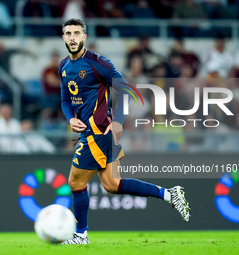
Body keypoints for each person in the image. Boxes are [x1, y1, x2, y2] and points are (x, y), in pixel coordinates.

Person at [59, 19, 190, 245]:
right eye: (68, 33)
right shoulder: (63, 66)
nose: (72, 37)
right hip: (94, 133)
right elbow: (64, 98)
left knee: (75, 182)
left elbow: (126, 89)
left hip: (98, 133)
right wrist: (70, 117)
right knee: (112, 184)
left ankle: (81, 235)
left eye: (77, 33)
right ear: (63, 37)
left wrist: (119, 120)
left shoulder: (98, 63)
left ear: (84, 36)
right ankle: (170, 194)